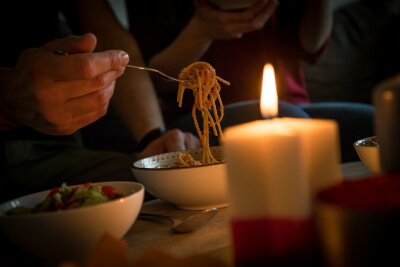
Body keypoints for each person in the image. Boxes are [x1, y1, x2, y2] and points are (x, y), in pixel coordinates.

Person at [125, 0, 374, 162]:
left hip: (296, 106)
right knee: (292, 127)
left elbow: (310, 46)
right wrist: (202, 29)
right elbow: (155, 80)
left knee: (376, 123)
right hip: (202, 117)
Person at [0, 1, 199, 203]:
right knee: (172, 183)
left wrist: (153, 136)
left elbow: (105, 34)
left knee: (218, 147)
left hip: (84, 134)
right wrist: (7, 101)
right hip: (15, 148)